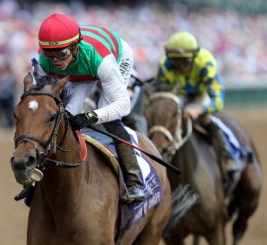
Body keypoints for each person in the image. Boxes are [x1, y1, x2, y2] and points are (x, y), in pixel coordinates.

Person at [33, 13, 145, 204]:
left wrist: (91, 116)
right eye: (50, 54)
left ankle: (134, 181)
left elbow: (122, 105)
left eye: (62, 54)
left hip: (115, 57)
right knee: (64, 114)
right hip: (79, 72)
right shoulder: (43, 62)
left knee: (108, 115)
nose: (56, 60)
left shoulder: (101, 60)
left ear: (75, 48)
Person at [154, 31, 232, 183]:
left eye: (186, 62)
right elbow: (160, 96)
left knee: (205, 118)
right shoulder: (165, 65)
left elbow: (218, 101)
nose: (181, 67)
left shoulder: (206, 63)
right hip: (179, 95)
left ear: (195, 57)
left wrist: (199, 109)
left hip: (201, 94)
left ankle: (226, 155)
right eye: (176, 62)